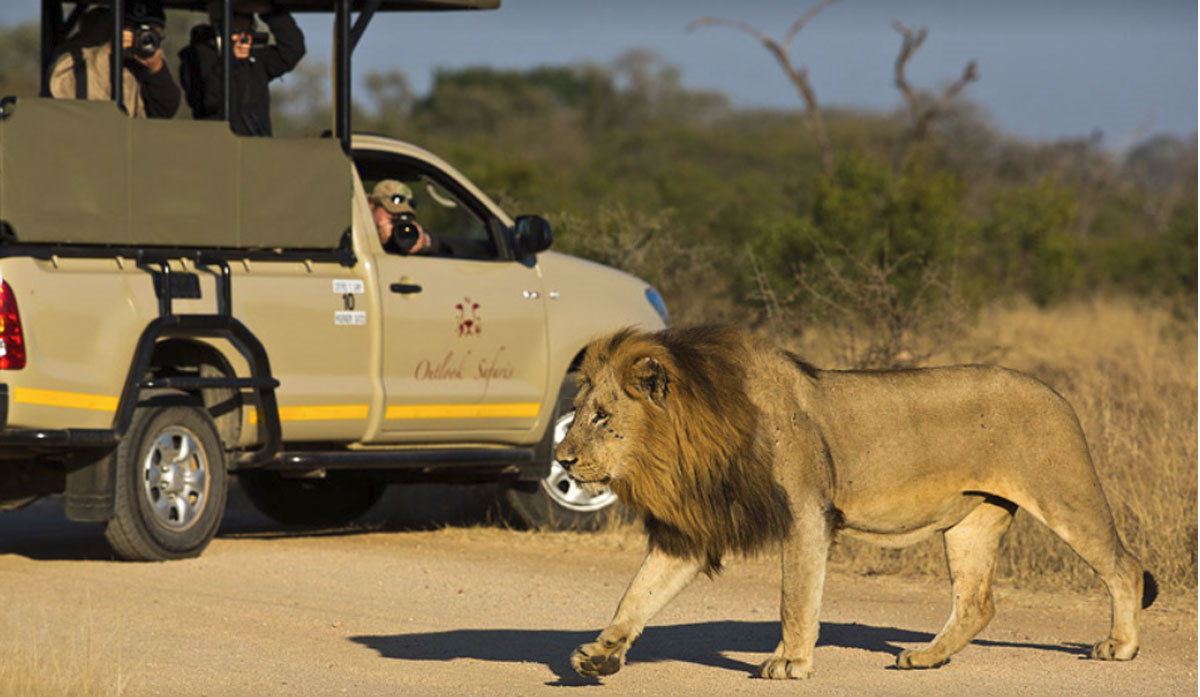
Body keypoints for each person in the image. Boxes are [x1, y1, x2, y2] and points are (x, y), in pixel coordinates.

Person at [178, 0, 305, 136]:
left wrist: (270, 12)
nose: (243, 26)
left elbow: (293, 50)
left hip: (257, 145)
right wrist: (231, 60)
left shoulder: (255, 58)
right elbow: (210, 98)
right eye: (236, 16)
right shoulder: (196, 57)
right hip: (216, 144)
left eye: (248, 17)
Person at [48, 1, 181, 119]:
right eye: (134, 29)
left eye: (153, 33)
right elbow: (61, 90)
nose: (142, 38)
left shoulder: (150, 58)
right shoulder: (82, 50)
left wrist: (156, 70)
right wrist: (109, 53)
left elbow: (165, 111)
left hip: (132, 140)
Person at [369, 180, 441, 255]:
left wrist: (425, 241)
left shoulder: (406, 238)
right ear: (371, 205)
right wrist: (377, 241)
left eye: (402, 216)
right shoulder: (357, 229)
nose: (396, 220)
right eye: (391, 213)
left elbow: (449, 243)